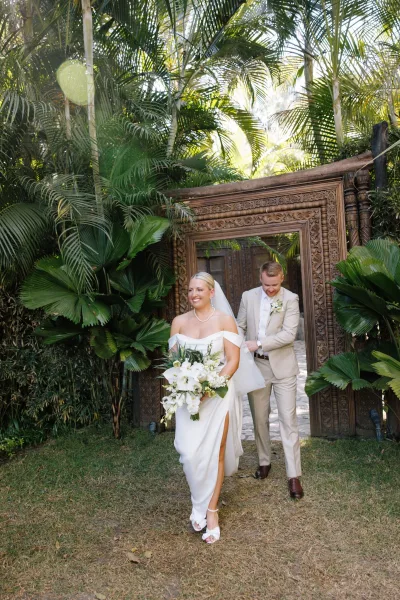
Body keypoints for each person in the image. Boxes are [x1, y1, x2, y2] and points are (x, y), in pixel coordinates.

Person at [169, 272, 263, 544]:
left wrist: (209, 389)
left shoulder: (225, 321)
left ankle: (210, 511)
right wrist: (187, 386)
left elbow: (232, 361)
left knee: (215, 453)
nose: (194, 294)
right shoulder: (178, 322)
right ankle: (198, 501)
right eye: (190, 290)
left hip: (218, 395)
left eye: (199, 289)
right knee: (188, 453)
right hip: (188, 398)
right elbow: (174, 361)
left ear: (212, 292)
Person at [236, 262, 304, 499]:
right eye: (266, 285)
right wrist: (240, 344)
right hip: (257, 367)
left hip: (283, 368)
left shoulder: (291, 299)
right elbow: (240, 326)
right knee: (259, 419)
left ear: (282, 278)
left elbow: (289, 335)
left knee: (288, 420)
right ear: (260, 277)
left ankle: (293, 475)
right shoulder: (248, 297)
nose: (270, 290)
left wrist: (260, 343)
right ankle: (264, 462)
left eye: (274, 285)